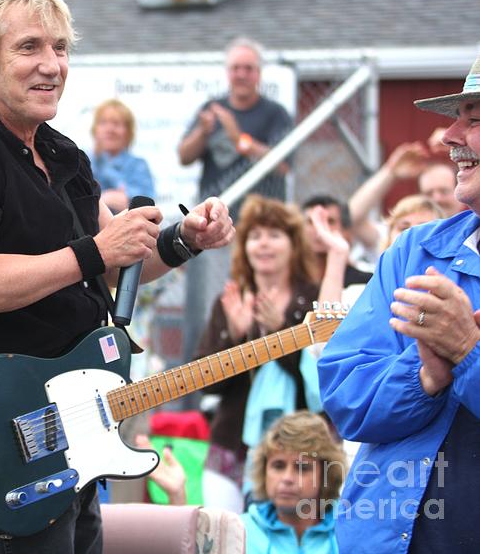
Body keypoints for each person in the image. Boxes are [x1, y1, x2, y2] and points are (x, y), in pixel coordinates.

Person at [0, 0, 235, 553]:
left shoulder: (59, 151)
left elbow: (114, 264)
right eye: (28, 47)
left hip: (70, 430)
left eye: (59, 48)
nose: (51, 64)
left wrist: (186, 240)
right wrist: (95, 252)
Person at [318, 55, 480, 553]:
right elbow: (345, 392)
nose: (450, 136)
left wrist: (468, 352)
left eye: (474, 119)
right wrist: (426, 376)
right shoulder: (417, 250)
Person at [195, 195, 344, 488]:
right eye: (255, 236)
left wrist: (281, 329)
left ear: (293, 245)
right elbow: (208, 384)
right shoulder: (231, 298)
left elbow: (319, 383)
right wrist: (234, 336)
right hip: (233, 445)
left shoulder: (315, 300)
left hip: (299, 453)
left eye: (274, 235)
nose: (263, 244)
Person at [177, 37, 293, 219]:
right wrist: (202, 132)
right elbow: (184, 157)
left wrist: (239, 139)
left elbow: (283, 166)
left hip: (264, 218)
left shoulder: (276, 114)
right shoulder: (211, 109)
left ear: (259, 73)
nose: (241, 75)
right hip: (217, 217)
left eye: (248, 68)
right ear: (227, 72)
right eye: (235, 68)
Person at [241, 411, 347, 554]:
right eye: (278, 466)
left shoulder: (350, 532)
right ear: (263, 470)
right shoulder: (239, 531)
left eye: (302, 468)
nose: (287, 478)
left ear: (326, 475)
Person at [89, 99, 155, 213]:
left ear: (128, 132)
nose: (110, 129)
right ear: (95, 130)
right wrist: (105, 198)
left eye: (116, 123)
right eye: (103, 123)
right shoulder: (83, 163)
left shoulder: (138, 165)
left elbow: (145, 205)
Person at [301, 195, 372, 287]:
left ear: (346, 231)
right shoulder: (287, 280)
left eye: (330, 221)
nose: (319, 229)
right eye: (311, 222)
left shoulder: (365, 283)